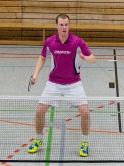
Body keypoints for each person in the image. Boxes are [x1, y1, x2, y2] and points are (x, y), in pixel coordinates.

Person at [28, 14, 96, 157]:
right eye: (61, 25)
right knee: (40, 111)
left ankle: (85, 142)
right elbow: (42, 57)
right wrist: (35, 74)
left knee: (85, 112)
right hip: (54, 83)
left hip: (74, 84)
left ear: (69, 26)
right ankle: (39, 140)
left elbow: (93, 58)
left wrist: (86, 58)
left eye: (66, 25)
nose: (64, 27)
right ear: (56, 26)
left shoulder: (77, 42)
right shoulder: (50, 42)